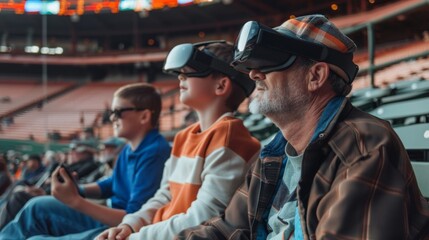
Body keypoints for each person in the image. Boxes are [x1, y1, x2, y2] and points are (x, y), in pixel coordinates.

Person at [176, 15, 429, 240]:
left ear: (316, 77)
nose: (254, 74)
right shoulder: (273, 155)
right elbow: (226, 228)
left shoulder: (365, 145)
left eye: (269, 61)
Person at [90, 41, 261, 240]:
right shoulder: (183, 137)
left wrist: (136, 237)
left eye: (192, 72)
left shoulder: (230, 135)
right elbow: (164, 195)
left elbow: (206, 217)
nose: (181, 76)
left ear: (221, 85)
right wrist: (130, 225)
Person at [0, 83, 171, 239]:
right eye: (110, 113)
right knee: (36, 206)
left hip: (118, 226)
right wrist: (77, 189)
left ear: (144, 116)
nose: (111, 118)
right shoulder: (129, 148)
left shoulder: (155, 152)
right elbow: (112, 184)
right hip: (111, 214)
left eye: (118, 112)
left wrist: (76, 200)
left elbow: (133, 217)